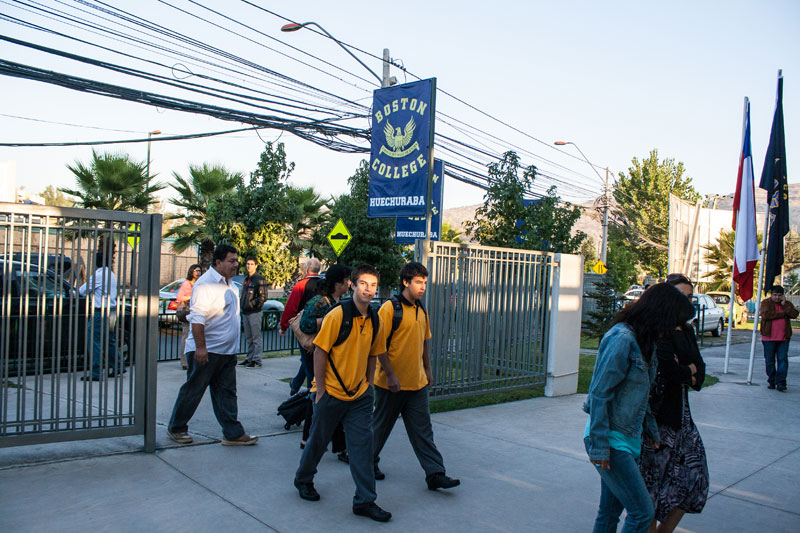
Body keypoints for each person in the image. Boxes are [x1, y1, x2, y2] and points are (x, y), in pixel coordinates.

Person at [584, 283, 696, 533]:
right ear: (661, 314)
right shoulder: (622, 339)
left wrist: (650, 430)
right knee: (643, 514)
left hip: (628, 438)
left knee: (609, 512)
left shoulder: (645, 342)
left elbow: (640, 394)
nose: (676, 329)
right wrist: (600, 444)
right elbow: (599, 394)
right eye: (675, 322)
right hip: (611, 441)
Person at [294, 265, 392, 523]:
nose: (368, 290)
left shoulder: (375, 318)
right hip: (332, 393)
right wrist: (322, 391)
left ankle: (365, 500)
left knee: (362, 447)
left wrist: (368, 386)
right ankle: (303, 479)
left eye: (372, 285)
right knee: (318, 441)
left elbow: (373, 355)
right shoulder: (337, 314)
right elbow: (319, 351)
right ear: (353, 285)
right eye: (363, 284)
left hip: (358, 396)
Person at [372, 262, 460, 491]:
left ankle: (435, 474)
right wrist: (390, 375)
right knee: (379, 428)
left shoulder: (421, 309)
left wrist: (428, 370)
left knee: (423, 432)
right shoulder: (390, 309)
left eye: (424, 282)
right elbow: (379, 345)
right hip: (391, 384)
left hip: (417, 383)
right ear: (405, 282)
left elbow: (423, 342)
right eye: (418, 282)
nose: (422, 287)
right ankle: (367, 462)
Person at [167, 244, 258, 446]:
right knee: (193, 391)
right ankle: (176, 428)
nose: (236, 264)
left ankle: (233, 433)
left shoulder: (232, 286)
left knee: (226, 393)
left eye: (236, 260)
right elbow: (197, 318)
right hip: (206, 351)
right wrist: (201, 348)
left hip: (226, 352)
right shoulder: (205, 285)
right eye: (231, 261)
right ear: (218, 262)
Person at [639, 274, 709, 532]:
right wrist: (686, 370)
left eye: (690, 297)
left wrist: (689, 370)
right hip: (659, 418)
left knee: (696, 478)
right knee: (653, 487)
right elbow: (667, 369)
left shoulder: (687, 329)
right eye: (682, 296)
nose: (687, 302)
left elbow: (699, 369)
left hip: (684, 418)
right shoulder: (659, 331)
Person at [297, 264, 351, 453]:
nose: (349, 283)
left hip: (331, 353)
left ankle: (329, 442)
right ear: (338, 283)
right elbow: (305, 324)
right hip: (315, 353)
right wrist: (327, 321)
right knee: (319, 392)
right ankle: (332, 443)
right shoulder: (320, 302)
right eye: (347, 280)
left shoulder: (340, 301)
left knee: (322, 394)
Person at [78, 243, 121, 381]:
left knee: (94, 341)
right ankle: (118, 366)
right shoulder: (112, 275)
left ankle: (96, 373)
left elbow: (82, 291)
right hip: (113, 312)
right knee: (110, 341)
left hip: (100, 312)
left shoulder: (98, 275)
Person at [281, 258, 322, 394]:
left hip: (304, 327)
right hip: (321, 326)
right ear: (319, 270)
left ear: (306, 270)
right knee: (309, 358)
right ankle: (296, 383)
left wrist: (284, 326)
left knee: (307, 359)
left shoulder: (301, 285)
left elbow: (291, 308)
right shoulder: (323, 285)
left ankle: (310, 392)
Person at [759, 285, 798, 392]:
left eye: (779, 295)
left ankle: (781, 382)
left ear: (783, 296)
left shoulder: (786, 304)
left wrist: (784, 305)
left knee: (783, 360)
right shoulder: (766, 303)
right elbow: (765, 315)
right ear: (771, 295)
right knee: (770, 361)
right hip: (768, 338)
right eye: (775, 295)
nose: (777, 297)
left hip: (784, 338)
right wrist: (782, 313)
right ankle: (772, 380)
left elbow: (794, 314)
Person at [239, 256, 269, 369]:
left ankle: (257, 360)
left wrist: (251, 304)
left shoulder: (260, 279)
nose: (249, 266)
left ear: (256, 265)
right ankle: (249, 358)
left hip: (255, 312)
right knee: (248, 337)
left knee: (256, 337)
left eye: (251, 264)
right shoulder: (246, 278)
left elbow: (263, 297)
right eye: (247, 264)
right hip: (245, 312)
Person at [176, 264, 201, 370]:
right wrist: (191, 297)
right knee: (186, 336)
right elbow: (179, 297)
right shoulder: (187, 283)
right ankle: (184, 361)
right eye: (196, 271)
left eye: (199, 271)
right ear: (191, 272)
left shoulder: (200, 283)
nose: (198, 273)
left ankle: (194, 359)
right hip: (187, 312)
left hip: (197, 312)